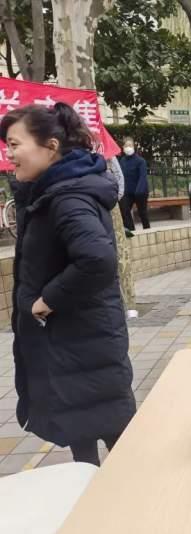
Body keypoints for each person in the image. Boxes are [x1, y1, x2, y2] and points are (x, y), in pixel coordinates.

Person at [2, 103, 135, 466]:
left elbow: (97, 259)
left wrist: (47, 299)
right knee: (87, 438)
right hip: (74, 344)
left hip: (81, 343)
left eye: (15, 144)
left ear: (51, 146)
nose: (9, 154)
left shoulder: (67, 197)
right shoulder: (53, 191)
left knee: (117, 442)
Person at [118, 137, 150, 231]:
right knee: (124, 211)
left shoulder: (140, 161)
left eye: (130, 145)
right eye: (126, 145)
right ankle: (131, 230)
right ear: (123, 147)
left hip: (140, 191)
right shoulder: (122, 161)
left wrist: (139, 192)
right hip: (127, 192)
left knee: (142, 213)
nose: (128, 147)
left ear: (134, 147)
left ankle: (147, 230)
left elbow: (142, 177)